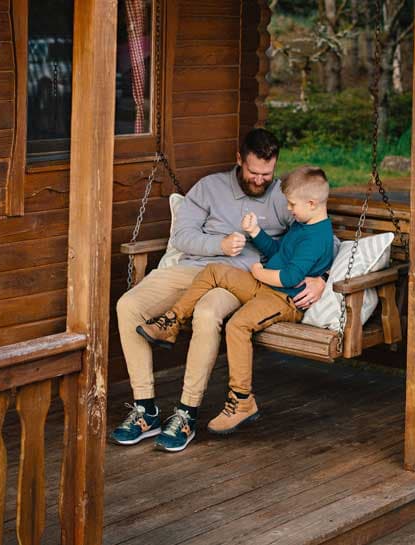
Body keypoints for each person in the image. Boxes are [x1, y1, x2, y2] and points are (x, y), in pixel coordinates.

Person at [111, 129, 330, 452]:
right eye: (253, 172)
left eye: (266, 174)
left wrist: (321, 277)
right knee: (127, 305)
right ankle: (146, 409)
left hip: (240, 279)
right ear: (239, 159)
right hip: (192, 269)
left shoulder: (284, 197)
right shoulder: (209, 188)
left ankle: (186, 412)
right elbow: (182, 236)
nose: (259, 180)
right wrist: (219, 244)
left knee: (207, 312)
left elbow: (320, 236)